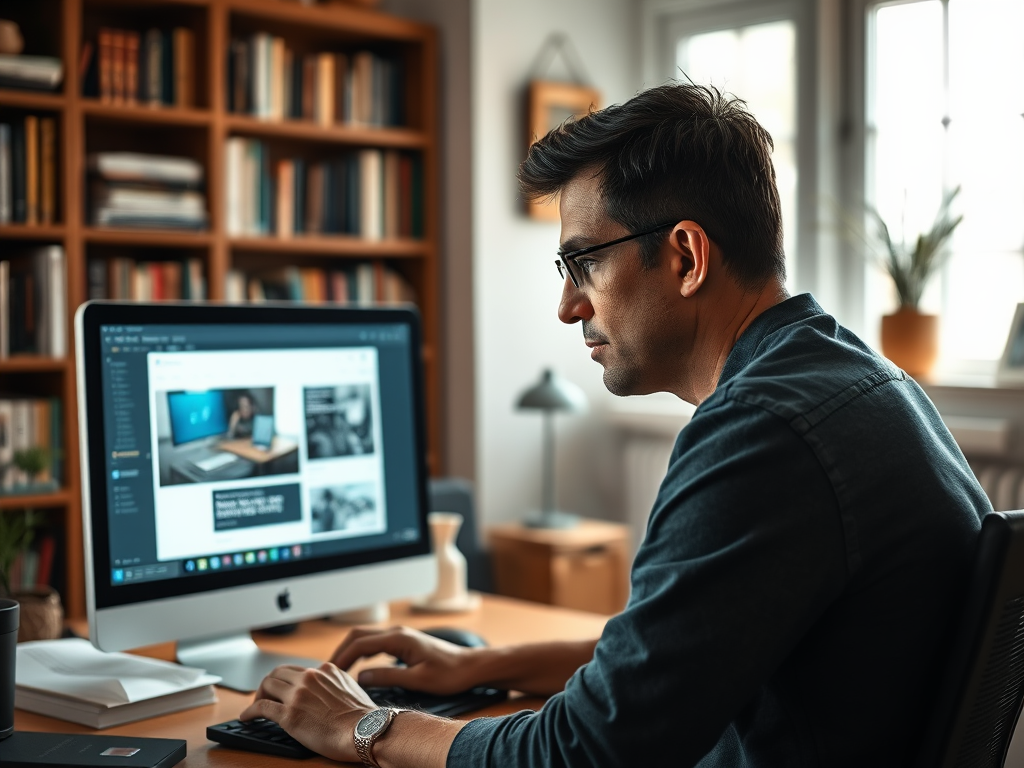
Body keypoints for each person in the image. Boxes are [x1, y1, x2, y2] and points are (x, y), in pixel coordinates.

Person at [239, 82, 992, 767]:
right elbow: (680, 651)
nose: (568, 306)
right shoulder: (853, 379)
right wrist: (481, 665)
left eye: (583, 264)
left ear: (687, 256)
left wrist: (364, 728)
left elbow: (587, 753)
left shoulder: (763, 431)